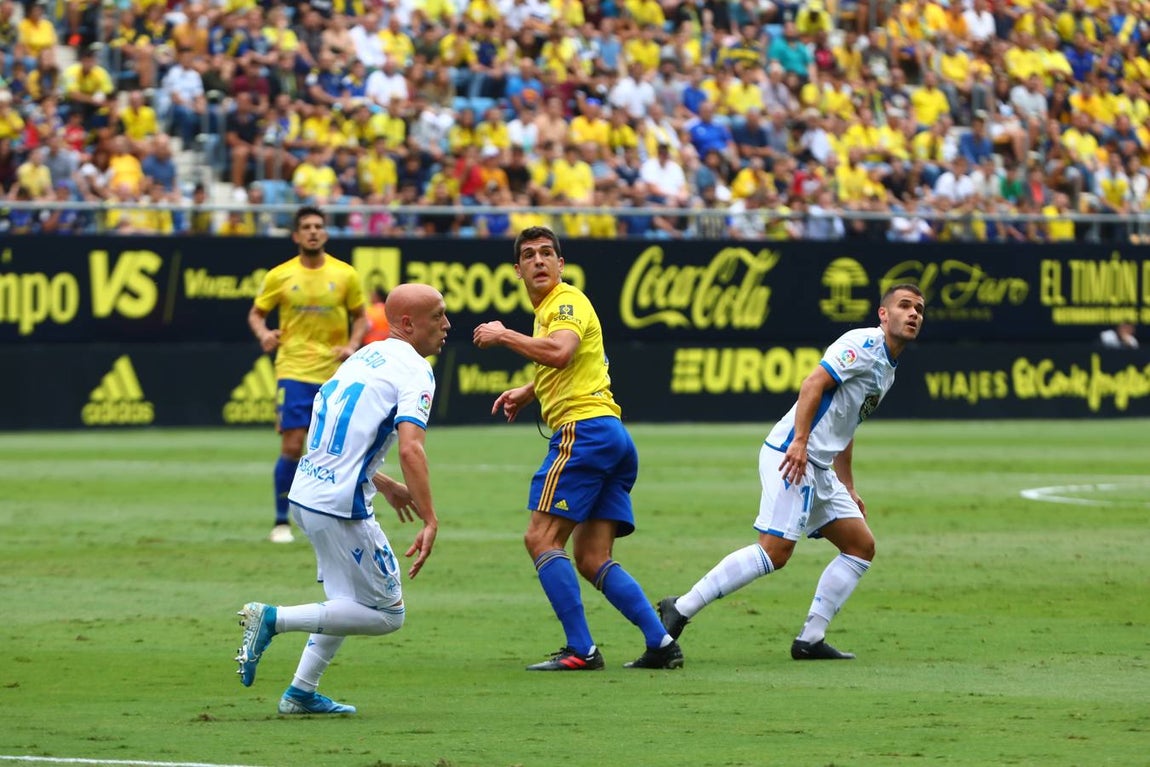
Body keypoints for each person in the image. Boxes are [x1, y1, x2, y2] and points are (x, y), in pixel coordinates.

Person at [658, 284, 926, 661]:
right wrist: (799, 441)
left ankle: (811, 639)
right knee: (774, 552)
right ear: (883, 314)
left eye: (918, 309)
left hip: (819, 465)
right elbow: (812, 384)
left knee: (860, 547)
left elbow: (846, 426)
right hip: (793, 455)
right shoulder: (863, 345)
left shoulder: (888, 370)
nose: (913, 313)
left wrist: (848, 486)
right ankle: (680, 608)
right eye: (904, 306)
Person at [472, 226, 683, 671]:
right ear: (518, 270)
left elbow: (563, 351)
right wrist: (531, 391)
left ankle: (582, 650)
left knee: (540, 538)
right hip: (611, 435)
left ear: (561, 264)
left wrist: (503, 335)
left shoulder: (564, 302)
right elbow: (574, 361)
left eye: (547, 253)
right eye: (529, 255)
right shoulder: (551, 310)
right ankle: (661, 643)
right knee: (592, 558)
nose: (539, 260)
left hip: (583, 433)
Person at [234, 283, 449, 714]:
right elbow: (411, 447)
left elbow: (330, 424)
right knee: (389, 614)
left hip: (306, 492)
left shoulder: (365, 356)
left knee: (344, 604)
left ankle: (299, 693)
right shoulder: (415, 369)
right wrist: (429, 518)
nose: (447, 325)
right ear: (408, 324)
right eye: (438, 315)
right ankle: (273, 618)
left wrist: (381, 482)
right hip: (339, 504)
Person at [248, 206, 368, 544]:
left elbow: (361, 317)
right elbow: (257, 314)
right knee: (292, 443)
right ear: (296, 236)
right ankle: (280, 521)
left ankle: (333, 516)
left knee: (339, 447)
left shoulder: (345, 275)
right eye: (306, 227)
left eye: (318, 226)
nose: (313, 232)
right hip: (294, 367)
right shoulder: (280, 276)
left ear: (325, 234)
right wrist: (264, 334)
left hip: (335, 371)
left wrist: (352, 343)